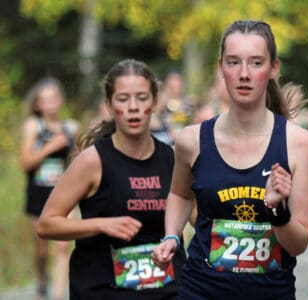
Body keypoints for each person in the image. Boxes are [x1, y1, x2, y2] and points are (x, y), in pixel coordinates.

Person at [152, 20, 308, 299]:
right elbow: (180, 194)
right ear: (221, 68)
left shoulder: (297, 143)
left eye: (255, 63)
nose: (243, 74)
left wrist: (276, 210)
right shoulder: (192, 140)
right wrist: (171, 235)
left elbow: (298, 244)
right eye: (233, 62)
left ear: (273, 68)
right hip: (200, 290)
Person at [36, 59, 186, 299]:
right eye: (123, 99)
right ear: (109, 104)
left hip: (166, 291)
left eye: (142, 98)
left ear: (155, 102)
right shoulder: (92, 161)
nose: (133, 107)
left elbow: (201, 216)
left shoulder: (174, 159)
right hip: (104, 290)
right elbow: (46, 224)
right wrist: (101, 224)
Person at [19, 77, 80, 300]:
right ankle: (42, 277)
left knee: (63, 246)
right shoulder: (33, 126)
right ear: (37, 105)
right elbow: (25, 163)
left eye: (54, 98)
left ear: (61, 101)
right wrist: (50, 147)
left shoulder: (71, 127)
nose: (51, 103)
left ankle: (57, 295)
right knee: (42, 248)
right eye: (45, 100)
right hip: (38, 192)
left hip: (63, 193)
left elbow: (76, 163)